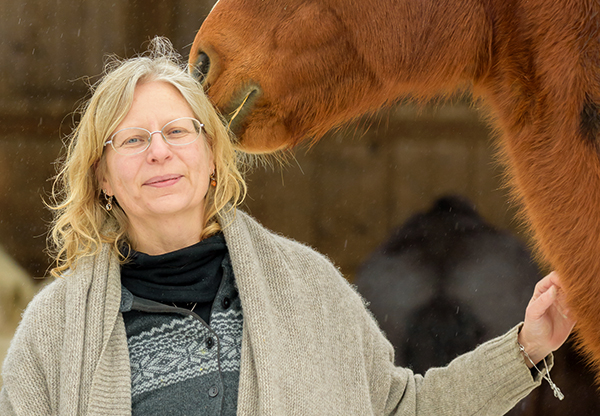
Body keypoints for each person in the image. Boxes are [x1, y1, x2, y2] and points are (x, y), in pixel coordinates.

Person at [0, 38, 575, 416]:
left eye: (178, 131)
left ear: (213, 157)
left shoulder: (307, 287)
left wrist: (525, 349)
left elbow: (406, 409)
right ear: (101, 177)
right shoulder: (56, 331)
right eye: (132, 140)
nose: (159, 152)